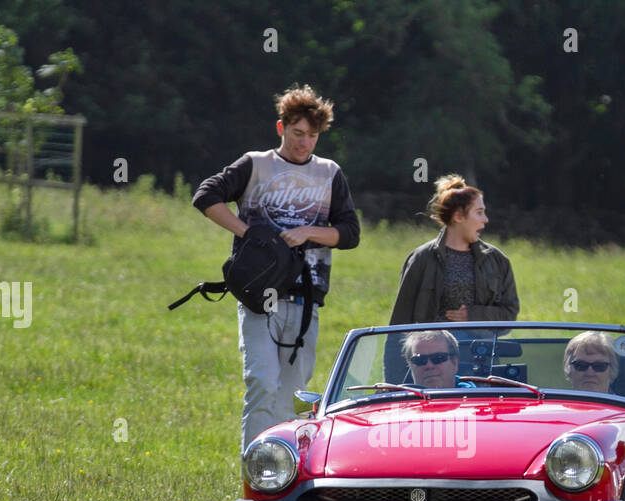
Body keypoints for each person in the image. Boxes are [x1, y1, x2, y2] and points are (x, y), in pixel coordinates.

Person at [193, 85, 360, 451]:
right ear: (280, 128)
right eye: (298, 133)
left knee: (295, 394)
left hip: (305, 298)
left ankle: (287, 472)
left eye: (313, 136)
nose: (305, 143)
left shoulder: (329, 173)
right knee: (262, 382)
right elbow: (206, 196)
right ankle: (255, 473)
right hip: (258, 295)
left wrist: (307, 233)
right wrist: (250, 234)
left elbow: (350, 234)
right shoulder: (255, 164)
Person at [385, 175, 518, 382]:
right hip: (429, 367)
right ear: (458, 216)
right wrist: (392, 384)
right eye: (479, 213)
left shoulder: (498, 261)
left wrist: (472, 316)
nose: (485, 220)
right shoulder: (421, 259)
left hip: (482, 368)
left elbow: (509, 315)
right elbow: (398, 327)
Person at [400, 330, 477, 389]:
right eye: (420, 360)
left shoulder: (476, 400)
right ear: (410, 365)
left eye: (438, 358)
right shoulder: (397, 402)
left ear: (455, 363)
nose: (429, 365)